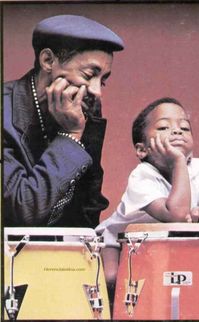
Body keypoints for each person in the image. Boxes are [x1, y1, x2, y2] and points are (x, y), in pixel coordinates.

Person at [96, 97, 199, 297]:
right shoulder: (142, 176)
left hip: (153, 244)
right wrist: (178, 162)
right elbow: (176, 213)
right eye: (163, 127)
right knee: (113, 278)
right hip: (116, 240)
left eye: (184, 128)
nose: (177, 131)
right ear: (142, 149)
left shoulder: (198, 172)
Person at [4, 14, 124, 227]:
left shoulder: (84, 109)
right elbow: (22, 211)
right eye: (89, 75)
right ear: (48, 61)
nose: (97, 91)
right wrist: (70, 136)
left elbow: (89, 210)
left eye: (103, 81)